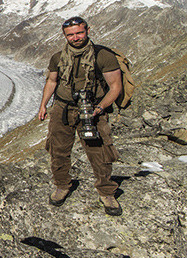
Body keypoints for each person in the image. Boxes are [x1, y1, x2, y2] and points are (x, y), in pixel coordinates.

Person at [38, 16, 123, 216]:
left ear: (88, 31)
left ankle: (106, 192)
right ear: (65, 36)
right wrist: (43, 105)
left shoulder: (103, 56)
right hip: (63, 108)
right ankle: (62, 185)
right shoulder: (58, 57)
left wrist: (100, 108)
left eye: (79, 33)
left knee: (99, 151)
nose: (76, 38)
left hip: (93, 108)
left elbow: (115, 87)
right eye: (71, 35)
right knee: (58, 149)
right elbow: (51, 81)